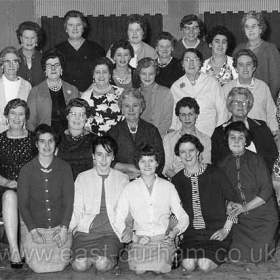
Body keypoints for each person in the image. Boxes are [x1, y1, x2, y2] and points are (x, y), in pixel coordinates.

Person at [114, 143, 189, 274]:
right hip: (140, 240)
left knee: (159, 269)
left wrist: (175, 232)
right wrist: (132, 236)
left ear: (157, 163)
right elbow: (118, 218)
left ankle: (172, 249)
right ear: (138, 164)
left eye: (151, 161)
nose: (147, 165)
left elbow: (183, 216)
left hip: (163, 240)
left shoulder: (168, 187)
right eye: (143, 161)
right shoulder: (129, 188)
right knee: (139, 271)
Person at [171, 134, 237, 272]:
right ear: (179, 155)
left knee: (204, 265)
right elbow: (175, 211)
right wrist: (176, 234)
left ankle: (219, 253)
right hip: (192, 234)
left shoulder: (215, 173)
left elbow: (234, 202)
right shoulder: (177, 180)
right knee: (188, 265)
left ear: (198, 151)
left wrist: (226, 229)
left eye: (191, 150)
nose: (187, 155)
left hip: (217, 231)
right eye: (183, 152)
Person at [219, 121, 278, 262]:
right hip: (240, 219)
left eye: (241, 137)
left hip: (263, 216)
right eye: (232, 137)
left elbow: (267, 190)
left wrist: (245, 207)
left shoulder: (257, 160)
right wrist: (228, 204)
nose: (236, 141)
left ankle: (273, 240)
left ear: (246, 141)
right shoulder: (223, 164)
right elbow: (223, 193)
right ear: (227, 140)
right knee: (235, 257)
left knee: (257, 257)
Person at [18, 124, 74, 273]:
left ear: (56, 143)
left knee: (59, 266)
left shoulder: (65, 168)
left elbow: (69, 202)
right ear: (36, 144)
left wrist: (64, 229)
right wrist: (33, 231)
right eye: (42, 141)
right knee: (38, 268)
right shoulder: (26, 170)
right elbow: (23, 206)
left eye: (51, 141)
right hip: (35, 230)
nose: (47, 145)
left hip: (59, 230)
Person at [70, 136, 129, 272]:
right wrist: (67, 229)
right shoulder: (82, 178)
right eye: (99, 154)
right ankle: (91, 256)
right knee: (80, 266)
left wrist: (128, 228)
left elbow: (126, 211)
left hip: (112, 232)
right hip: (86, 233)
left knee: (101, 264)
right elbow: (77, 209)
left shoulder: (122, 179)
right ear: (93, 156)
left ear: (113, 157)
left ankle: (105, 257)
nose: (103, 160)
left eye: (108, 155)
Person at [0, 99, 36, 268]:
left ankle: (23, 245)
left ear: (25, 117)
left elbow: (41, 166)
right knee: (9, 196)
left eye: (21, 114)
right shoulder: (0, 140)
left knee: (21, 195)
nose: (16, 117)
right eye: (13, 113)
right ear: (6, 116)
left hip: (31, 186)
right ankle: (14, 249)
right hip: (4, 185)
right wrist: (7, 181)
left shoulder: (34, 139)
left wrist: (24, 183)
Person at [211, 87, 278, 174]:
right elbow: (216, 160)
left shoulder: (262, 127)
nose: (240, 105)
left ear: (249, 106)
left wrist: (262, 174)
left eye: (244, 102)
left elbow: (272, 154)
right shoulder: (219, 132)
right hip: (230, 181)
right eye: (236, 102)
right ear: (230, 106)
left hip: (259, 179)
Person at [108, 88, 164, 180]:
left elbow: (160, 160)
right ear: (121, 109)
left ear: (141, 108)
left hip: (148, 179)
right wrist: (130, 168)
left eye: (135, 105)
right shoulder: (112, 133)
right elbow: (107, 161)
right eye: (126, 106)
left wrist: (143, 174)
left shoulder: (152, 130)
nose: (131, 110)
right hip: (120, 180)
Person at [170, 48, 228, 137]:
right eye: (187, 60)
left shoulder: (212, 82)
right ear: (182, 63)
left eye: (195, 59)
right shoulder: (176, 86)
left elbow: (222, 110)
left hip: (210, 133)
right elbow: (173, 115)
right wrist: (172, 130)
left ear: (201, 63)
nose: (191, 63)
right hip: (184, 135)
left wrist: (219, 133)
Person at [223, 49, 278, 136]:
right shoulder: (227, 89)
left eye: (248, 64)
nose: (245, 68)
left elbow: (271, 114)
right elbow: (223, 116)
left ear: (254, 67)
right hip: (235, 137)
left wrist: (275, 134)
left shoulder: (263, 87)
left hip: (260, 135)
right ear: (236, 68)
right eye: (241, 65)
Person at [26, 48, 79, 134]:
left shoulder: (73, 90)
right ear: (45, 70)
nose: (53, 68)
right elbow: (30, 122)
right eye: (49, 66)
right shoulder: (35, 91)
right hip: (45, 139)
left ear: (61, 69)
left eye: (57, 65)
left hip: (69, 138)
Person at [233, 11, 280, 102]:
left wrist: (265, 100)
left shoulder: (270, 49)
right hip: (241, 100)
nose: (250, 30)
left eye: (254, 26)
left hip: (264, 100)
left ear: (261, 29)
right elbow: (234, 76)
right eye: (247, 27)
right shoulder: (238, 49)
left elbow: (275, 81)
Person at [56, 10, 105, 92]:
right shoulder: (57, 50)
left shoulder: (96, 49)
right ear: (66, 28)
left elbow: (101, 75)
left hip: (93, 93)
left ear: (83, 28)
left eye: (78, 25)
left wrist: (86, 94)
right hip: (65, 95)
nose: (75, 28)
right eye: (71, 25)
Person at [163, 97, 211, 179]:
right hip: (176, 180)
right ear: (178, 116)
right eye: (183, 115)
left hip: (199, 180)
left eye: (190, 114)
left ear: (196, 115)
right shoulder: (169, 139)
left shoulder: (205, 139)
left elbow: (207, 165)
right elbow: (166, 168)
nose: (187, 118)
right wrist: (180, 181)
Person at [81, 57, 124, 136]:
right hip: (94, 141)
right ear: (93, 75)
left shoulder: (121, 93)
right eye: (97, 72)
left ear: (110, 75)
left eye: (104, 72)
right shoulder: (85, 97)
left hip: (118, 139)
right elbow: (83, 123)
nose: (101, 75)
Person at [56, 98, 96, 180]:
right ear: (67, 116)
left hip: (87, 184)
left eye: (82, 115)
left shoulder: (95, 140)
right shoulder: (57, 139)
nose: (77, 118)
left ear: (86, 118)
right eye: (73, 114)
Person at [136, 57, 174, 137]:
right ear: (139, 73)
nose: (147, 77)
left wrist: (154, 136)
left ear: (155, 74)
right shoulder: (135, 93)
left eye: (151, 74)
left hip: (158, 137)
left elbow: (167, 120)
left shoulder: (165, 92)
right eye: (144, 73)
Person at [0, 46, 32, 133]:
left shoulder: (27, 86)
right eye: (7, 62)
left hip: (21, 134)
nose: (11, 65)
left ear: (18, 65)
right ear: (2, 65)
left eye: (14, 61)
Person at [16, 21, 45, 86]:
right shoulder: (13, 58)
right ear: (21, 39)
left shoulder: (44, 59)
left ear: (37, 39)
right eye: (26, 38)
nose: (29, 41)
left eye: (32, 38)